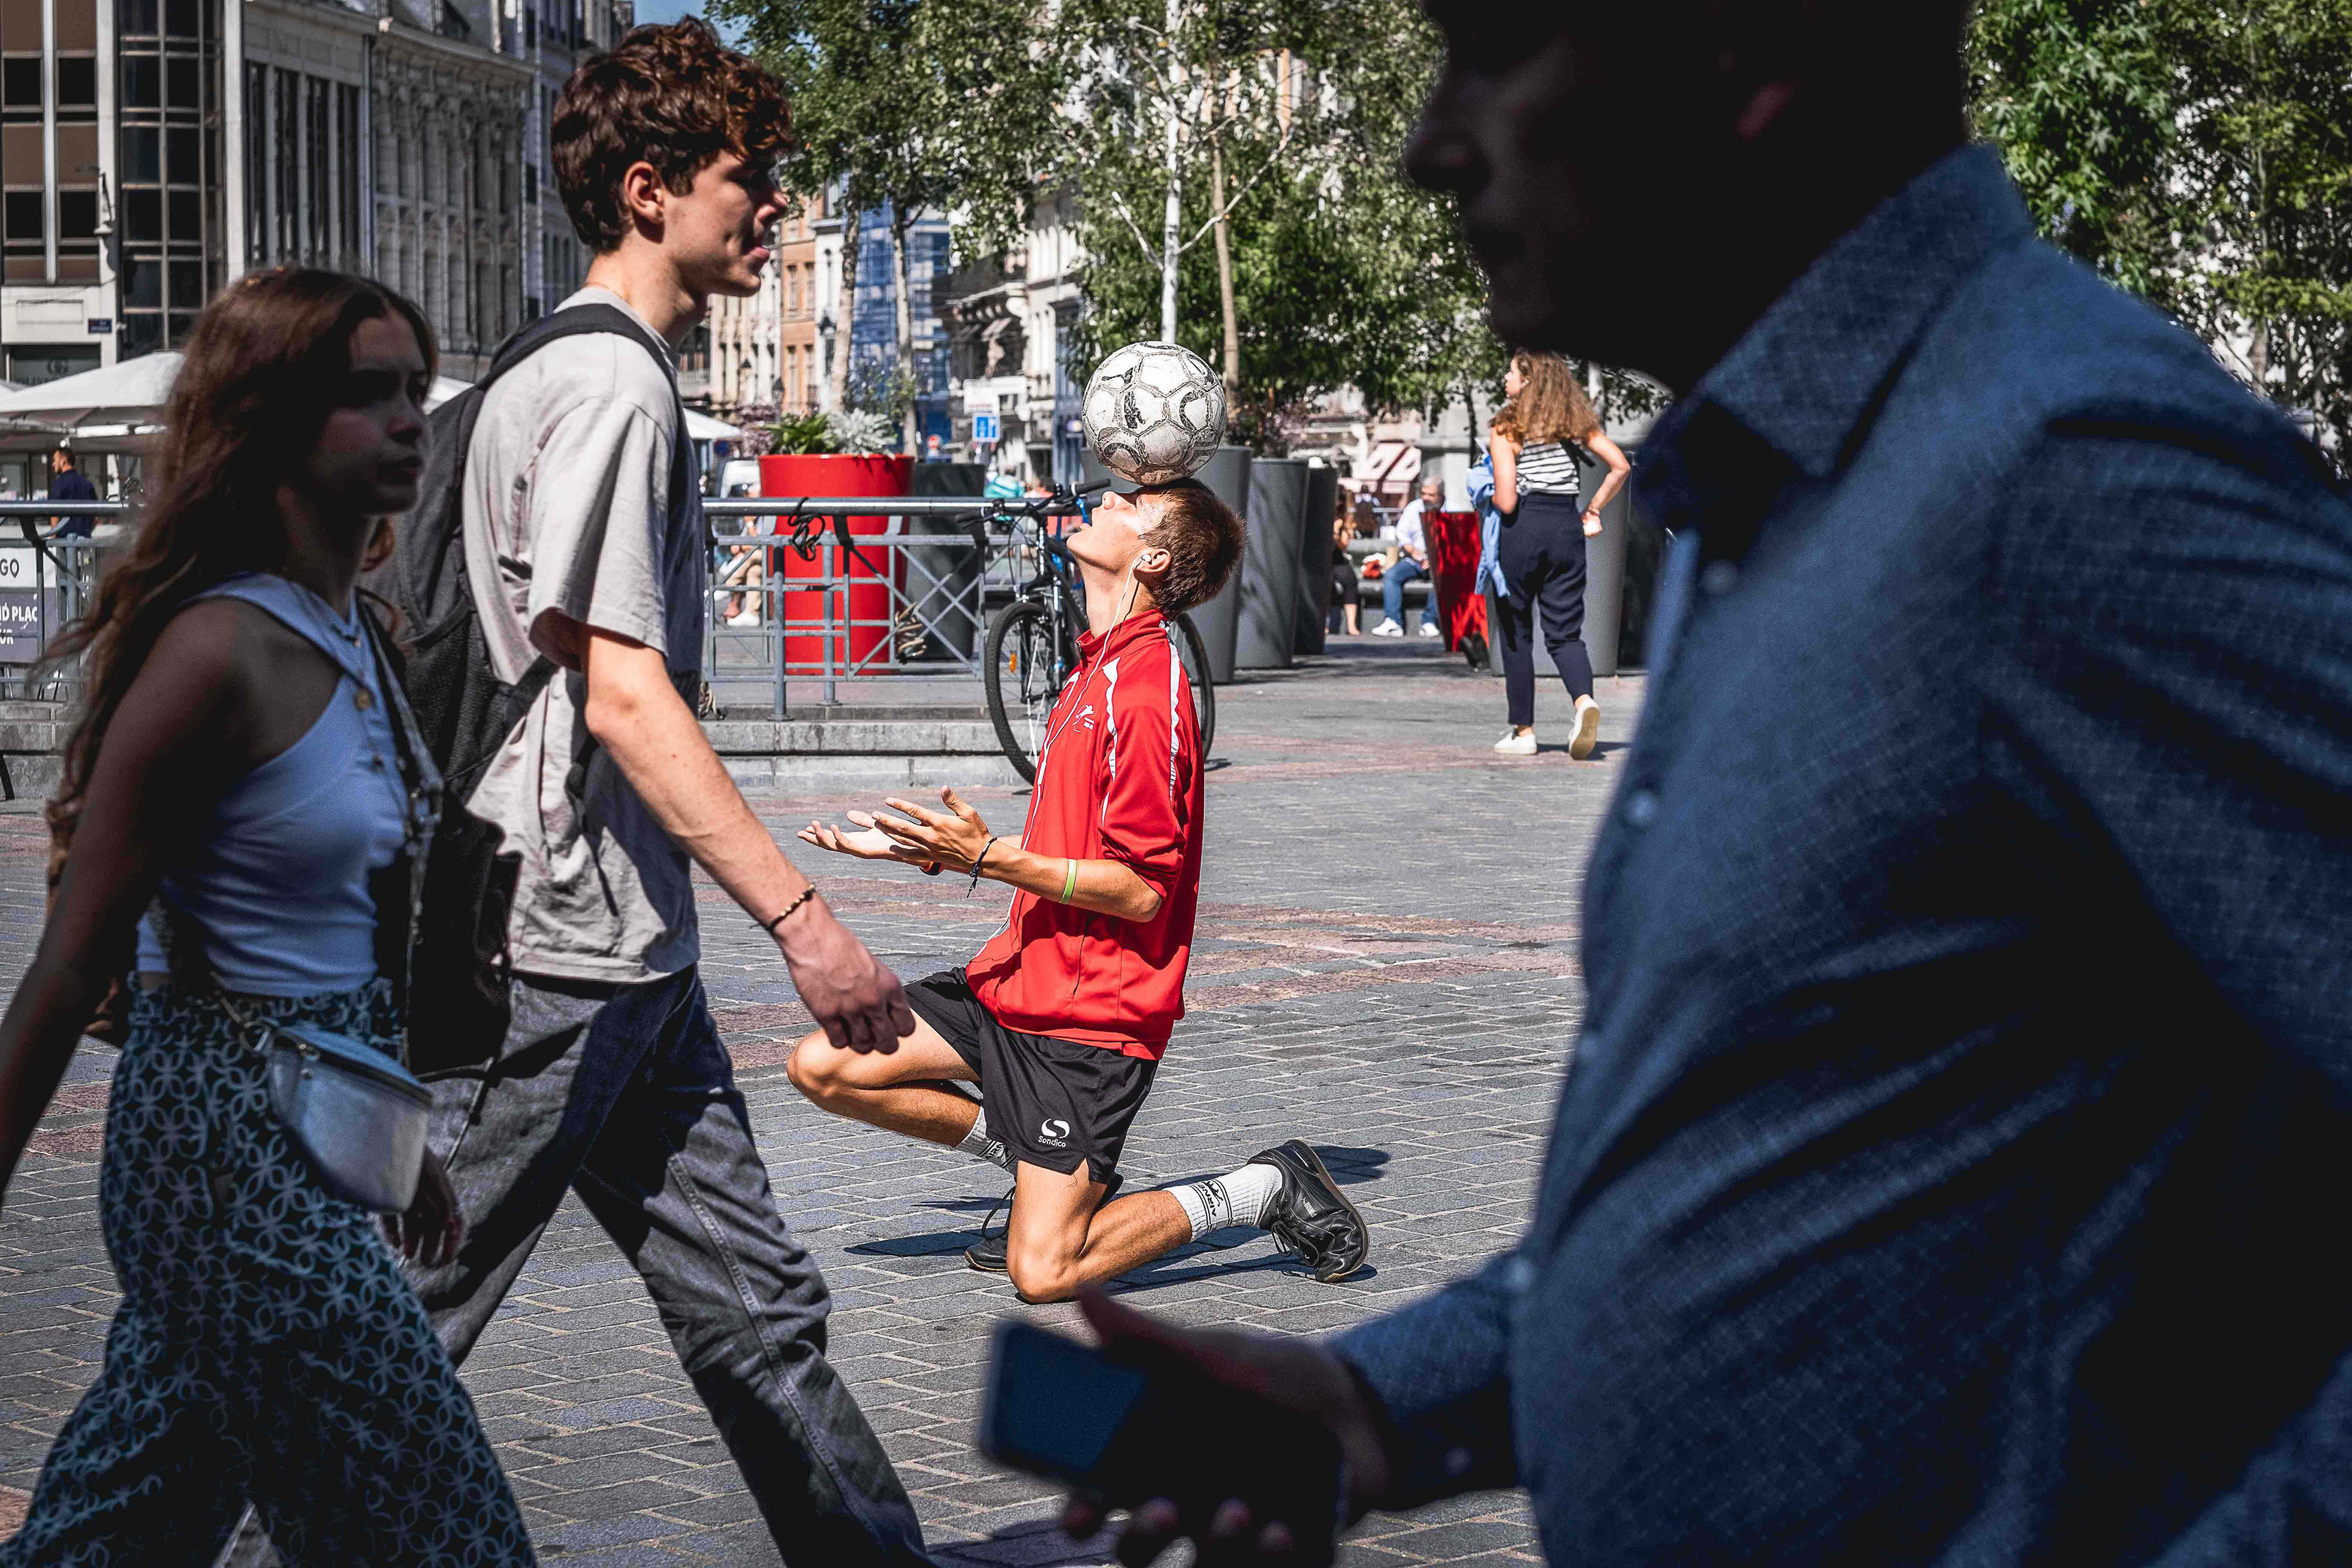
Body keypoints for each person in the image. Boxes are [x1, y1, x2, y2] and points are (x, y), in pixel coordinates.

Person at [1054, 2, 2352, 1565]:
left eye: (1495, 51)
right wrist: (1374, 1403)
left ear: (1745, 62)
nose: (1429, 143)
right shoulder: (1782, 486)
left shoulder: (2071, 473)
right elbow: (1772, 1181)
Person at [217, 21, 929, 1568]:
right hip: (549, 945)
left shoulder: (556, 364)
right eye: (753, 179)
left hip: (626, 949)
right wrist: (806, 921)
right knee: (403, 1318)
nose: (776, 208)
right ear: (650, 187)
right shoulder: (610, 388)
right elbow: (619, 682)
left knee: (756, 1311)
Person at [0, 268, 535, 1564]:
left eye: (416, 387)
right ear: (270, 418)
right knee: (440, 1518)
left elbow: (334, 952)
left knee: (128, 1509)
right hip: (218, 1158)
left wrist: (390, 1145)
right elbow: (72, 965)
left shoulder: (357, 627)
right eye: (367, 395)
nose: (412, 418)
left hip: (305, 1137)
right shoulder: (215, 653)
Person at [785, 481, 1372, 1304]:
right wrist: (933, 852)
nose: (1105, 498)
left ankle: (1262, 1188)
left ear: (1153, 558)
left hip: (1092, 1020)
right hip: (1020, 980)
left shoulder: (1148, 685)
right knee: (824, 1066)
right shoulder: (1090, 669)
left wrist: (985, 855)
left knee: (1045, 1272)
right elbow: (1067, 849)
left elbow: (1139, 893)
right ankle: (1033, 1168)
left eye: (1131, 503)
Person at [1484, 352, 1629, 759]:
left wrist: (1488, 495)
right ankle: (1584, 702)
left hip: (1523, 528)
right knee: (1564, 631)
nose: (1506, 377)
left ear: (1529, 380)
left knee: (1515, 629)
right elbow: (1619, 466)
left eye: (1512, 371)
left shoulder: (1506, 425)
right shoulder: (1575, 424)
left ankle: (1524, 731)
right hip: (1567, 527)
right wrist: (1595, 509)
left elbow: (1508, 500)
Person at [1371, 476, 1445, 638]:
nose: (1426, 498)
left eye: (1431, 495)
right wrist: (1414, 552)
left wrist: (1435, 559)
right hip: (1415, 560)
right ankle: (1393, 622)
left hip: (1440, 561)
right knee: (1392, 575)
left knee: (1441, 577)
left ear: (1440, 495)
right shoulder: (1413, 508)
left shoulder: (1452, 509)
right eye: (1423, 493)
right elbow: (1402, 534)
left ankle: (1429, 621)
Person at [46, 443, 99, 540]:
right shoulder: (87, 484)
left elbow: (54, 515)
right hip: (85, 540)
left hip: (64, 541)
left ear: (63, 461)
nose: (53, 464)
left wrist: (54, 538)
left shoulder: (58, 484)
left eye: (55, 460)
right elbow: (96, 516)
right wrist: (86, 532)